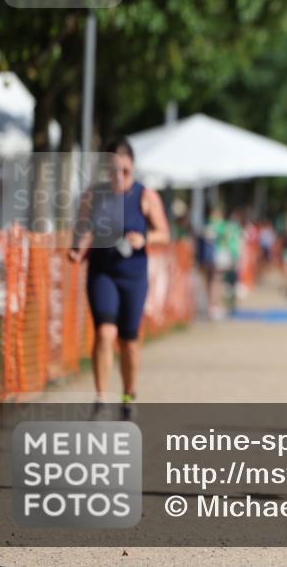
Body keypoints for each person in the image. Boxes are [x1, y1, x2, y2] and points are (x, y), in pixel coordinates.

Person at [69, 138, 170, 420]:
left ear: (133, 168)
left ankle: (128, 396)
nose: (118, 177)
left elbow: (165, 233)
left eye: (124, 171)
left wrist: (145, 238)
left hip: (133, 276)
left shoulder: (145, 197)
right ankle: (102, 399)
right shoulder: (94, 196)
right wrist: (77, 248)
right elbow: (81, 230)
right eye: (113, 170)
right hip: (103, 272)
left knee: (129, 340)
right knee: (104, 332)